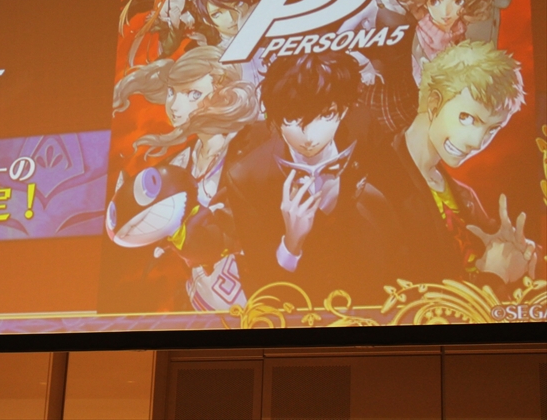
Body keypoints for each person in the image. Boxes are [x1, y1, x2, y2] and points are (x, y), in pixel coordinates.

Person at [212, 51, 400, 304]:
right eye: (292, 118)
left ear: (344, 110)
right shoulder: (247, 178)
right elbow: (265, 283)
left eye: (326, 115)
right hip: (304, 303)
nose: (309, 136)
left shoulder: (361, 126)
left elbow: (403, 196)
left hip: (373, 286)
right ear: (276, 119)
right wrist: (291, 244)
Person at [367, 41, 540, 286]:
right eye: (467, 118)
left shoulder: (463, 196)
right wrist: (494, 277)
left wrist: (520, 254)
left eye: (491, 129)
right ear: (434, 104)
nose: (476, 142)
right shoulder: (378, 185)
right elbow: (401, 296)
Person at [109, 45, 261, 309]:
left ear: (225, 95)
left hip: (260, 302)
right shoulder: (180, 161)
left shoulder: (253, 146)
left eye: (193, 94)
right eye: (172, 92)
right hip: (200, 303)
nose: (175, 106)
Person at [338, 0, 418, 133]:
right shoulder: (369, 4)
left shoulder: (400, 3)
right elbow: (339, 38)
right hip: (381, 87)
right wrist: (364, 64)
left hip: (406, 84)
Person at [398, 0, 492, 85]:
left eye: (458, 1)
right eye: (435, 1)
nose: (446, 11)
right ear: (425, 1)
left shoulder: (458, 31)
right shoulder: (415, 36)